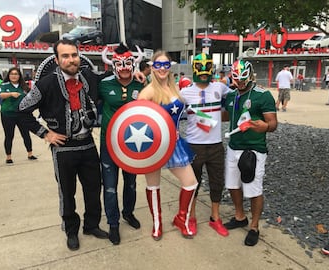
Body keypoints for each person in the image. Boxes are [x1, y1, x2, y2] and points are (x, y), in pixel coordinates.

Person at [19, 39, 110, 251]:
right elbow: (22, 109)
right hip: (63, 149)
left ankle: (91, 225)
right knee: (67, 192)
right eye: (65, 56)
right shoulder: (46, 84)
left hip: (87, 144)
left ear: (79, 56)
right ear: (57, 59)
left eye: (74, 55)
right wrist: (45, 133)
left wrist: (137, 74)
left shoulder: (88, 75)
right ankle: (71, 230)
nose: (71, 60)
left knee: (94, 187)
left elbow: (110, 77)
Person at [138, 50, 198, 240]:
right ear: (152, 67)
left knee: (191, 183)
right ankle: (157, 223)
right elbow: (137, 120)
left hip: (175, 142)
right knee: (153, 185)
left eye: (165, 65)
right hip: (153, 145)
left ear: (170, 67)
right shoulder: (147, 92)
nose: (162, 69)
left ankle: (182, 219)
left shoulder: (175, 89)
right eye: (158, 65)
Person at [222, 59, 277, 246]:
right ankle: (240, 216)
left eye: (243, 79)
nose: (240, 82)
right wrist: (203, 111)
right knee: (232, 184)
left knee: (253, 189)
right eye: (236, 79)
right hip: (233, 146)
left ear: (251, 75)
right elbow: (226, 116)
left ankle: (254, 226)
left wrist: (264, 126)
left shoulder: (263, 95)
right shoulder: (231, 96)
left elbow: (273, 124)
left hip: (254, 149)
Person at [180, 53, 231, 237]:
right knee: (193, 183)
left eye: (206, 66)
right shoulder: (184, 93)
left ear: (212, 67)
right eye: (199, 67)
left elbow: (237, 99)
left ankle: (215, 217)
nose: (203, 71)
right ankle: (191, 217)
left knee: (217, 182)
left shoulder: (220, 87)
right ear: (194, 68)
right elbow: (170, 109)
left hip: (216, 145)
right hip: (194, 146)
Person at [99, 43, 144, 245]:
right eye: (120, 64)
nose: (124, 68)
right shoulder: (104, 83)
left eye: (128, 64)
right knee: (109, 187)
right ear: (113, 65)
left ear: (133, 64)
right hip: (109, 144)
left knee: (131, 183)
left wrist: (145, 78)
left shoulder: (140, 84)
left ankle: (128, 213)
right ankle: (113, 223)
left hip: (132, 144)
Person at [0, 67, 37, 164]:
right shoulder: (5, 85)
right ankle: (8, 156)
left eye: (16, 74)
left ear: (19, 76)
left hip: (22, 114)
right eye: (12, 74)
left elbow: (32, 96)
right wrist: (11, 94)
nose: (14, 76)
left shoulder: (23, 86)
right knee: (9, 135)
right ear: (9, 75)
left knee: (26, 134)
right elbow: (1, 95)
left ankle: (30, 153)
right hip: (8, 114)